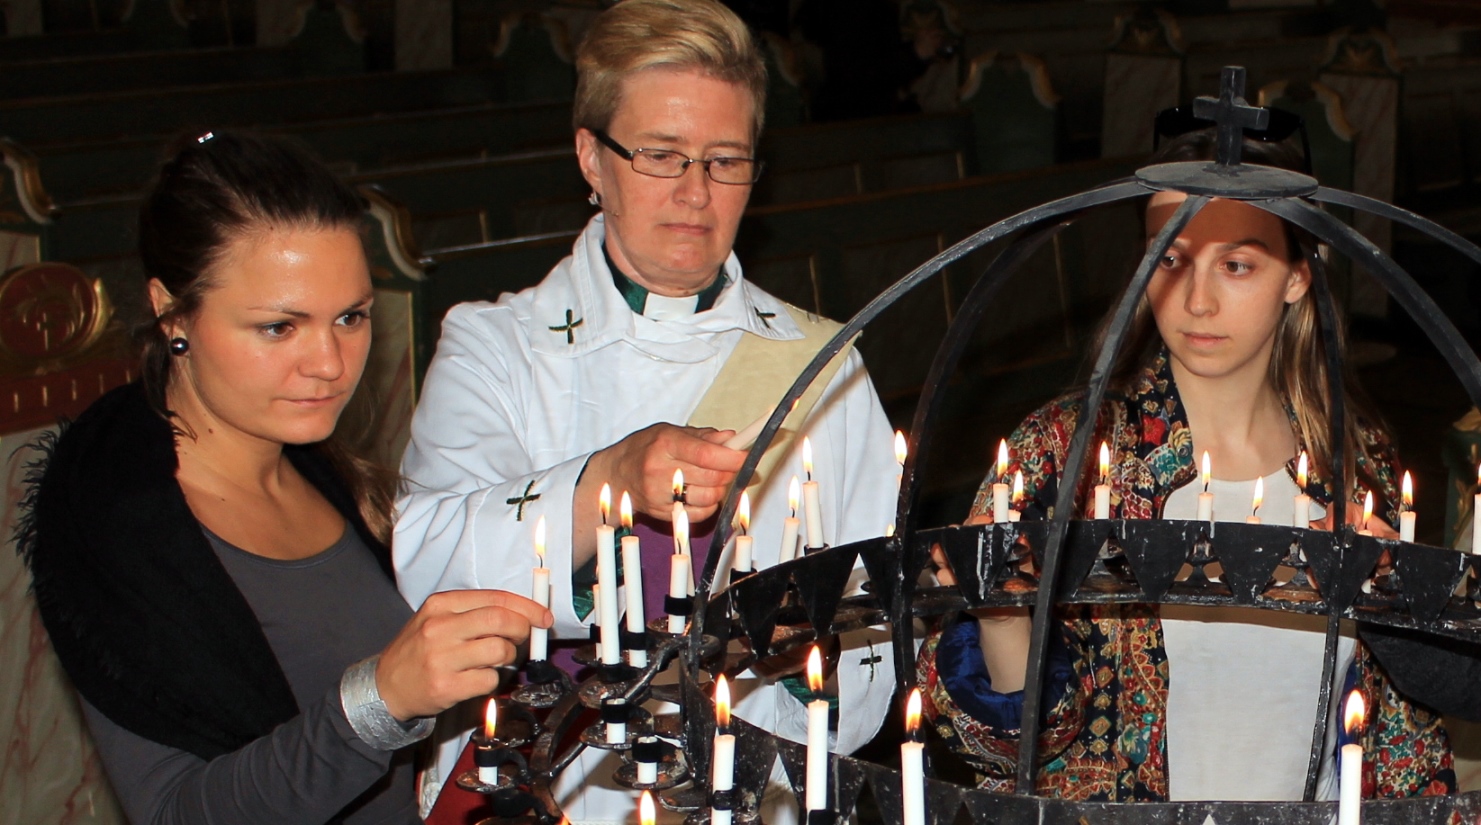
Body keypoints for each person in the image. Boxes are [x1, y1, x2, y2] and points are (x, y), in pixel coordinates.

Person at [394, 1, 900, 821]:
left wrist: (817, 659)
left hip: (748, 787)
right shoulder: (495, 347)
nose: (695, 192)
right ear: (590, 156)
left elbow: (876, 628)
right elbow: (429, 563)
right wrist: (611, 477)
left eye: (725, 160)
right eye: (661, 155)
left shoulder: (819, 367)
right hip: (551, 797)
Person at [18, 131, 551, 825]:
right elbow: (178, 812)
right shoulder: (122, 529)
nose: (329, 363)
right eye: (279, 327)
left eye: (350, 317)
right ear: (171, 310)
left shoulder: (318, 468)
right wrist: (379, 700)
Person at [919, 129, 1456, 802]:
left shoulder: (1356, 458)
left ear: (1297, 276)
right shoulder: (1066, 454)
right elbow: (1001, 748)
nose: (1196, 301)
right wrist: (1000, 618)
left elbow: (1395, 726)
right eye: (1171, 259)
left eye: (1236, 264)